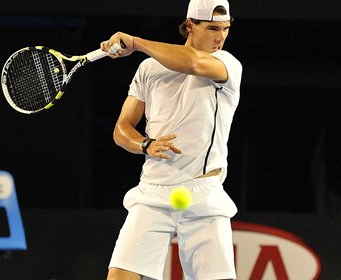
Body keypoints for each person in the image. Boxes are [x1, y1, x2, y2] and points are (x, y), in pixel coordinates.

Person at [100, 0, 242, 279]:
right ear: (190, 25)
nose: (220, 37)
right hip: (154, 192)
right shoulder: (149, 69)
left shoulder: (227, 64)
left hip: (204, 195)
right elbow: (122, 129)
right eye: (213, 28)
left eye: (225, 29)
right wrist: (145, 144)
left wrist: (135, 42)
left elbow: (191, 62)